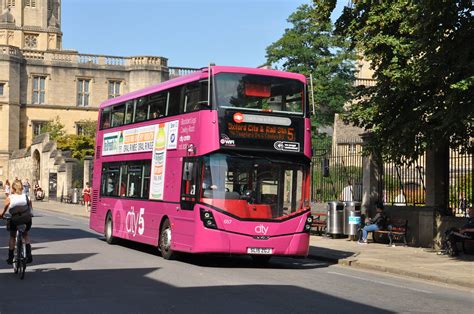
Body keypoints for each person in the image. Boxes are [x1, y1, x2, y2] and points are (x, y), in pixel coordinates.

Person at [1, 180, 33, 264]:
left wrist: (1, 215)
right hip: (26, 219)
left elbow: (4, 211)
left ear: (13, 188)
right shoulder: (26, 197)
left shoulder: (10, 198)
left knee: (12, 237)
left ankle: (11, 257)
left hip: (15, 220)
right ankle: (29, 254)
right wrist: (30, 214)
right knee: (25, 235)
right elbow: (30, 209)